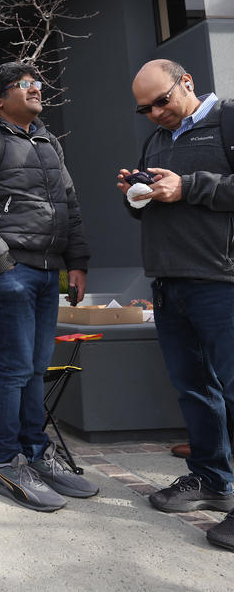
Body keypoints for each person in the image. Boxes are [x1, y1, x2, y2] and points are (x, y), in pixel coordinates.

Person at [0, 61, 97, 512]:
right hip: (9, 272)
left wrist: (78, 262)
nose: (36, 89)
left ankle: (36, 452)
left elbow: (69, 207)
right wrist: (2, 265)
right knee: (13, 370)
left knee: (35, 367)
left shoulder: (48, 141)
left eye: (37, 83)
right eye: (24, 84)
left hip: (47, 272)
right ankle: (8, 463)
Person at [117, 59, 234, 551]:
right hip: (170, 284)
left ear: (186, 81)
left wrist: (189, 186)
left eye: (161, 101)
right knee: (194, 390)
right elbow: (158, 205)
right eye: (144, 109)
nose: (154, 113)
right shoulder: (157, 139)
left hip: (221, 282)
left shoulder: (226, 120)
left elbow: (195, 191)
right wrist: (136, 195)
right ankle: (211, 479)